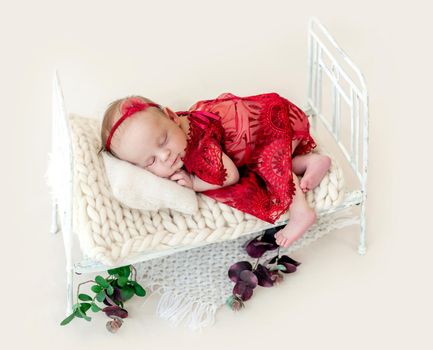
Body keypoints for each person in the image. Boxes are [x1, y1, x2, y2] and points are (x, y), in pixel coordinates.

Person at [99, 93, 331, 248]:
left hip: (274, 124)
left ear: (173, 117)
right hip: (257, 133)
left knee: (269, 165)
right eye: (150, 162)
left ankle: (301, 211)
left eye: (164, 141)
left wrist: (195, 183)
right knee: (263, 163)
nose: (165, 156)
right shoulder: (177, 138)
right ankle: (311, 162)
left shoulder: (201, 143)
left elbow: (230, 176)